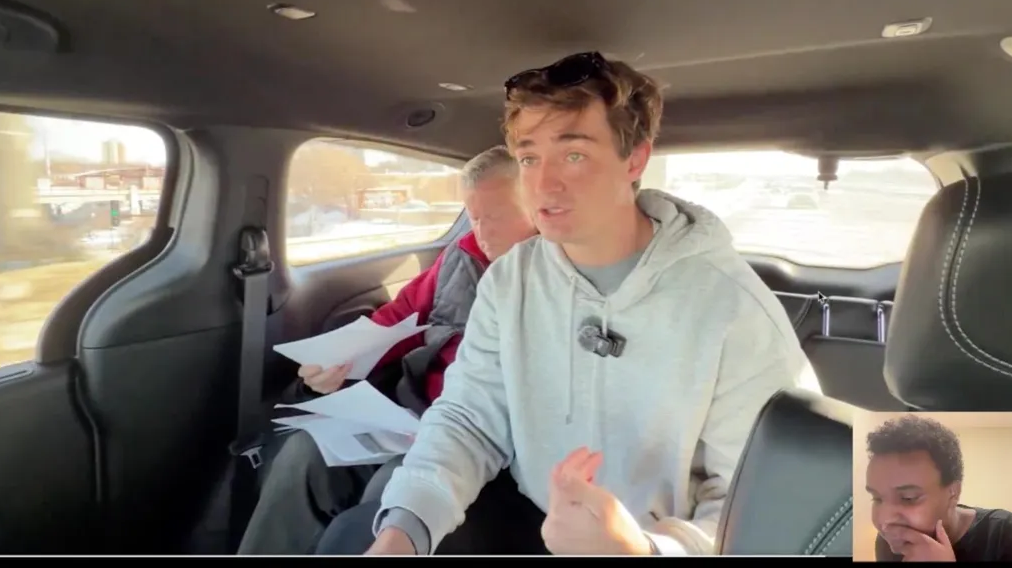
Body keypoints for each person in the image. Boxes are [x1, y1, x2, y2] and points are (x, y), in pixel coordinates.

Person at [317, 51, 818, 556]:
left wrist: (644, 549)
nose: (544, 183)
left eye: (574, 155)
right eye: (529, 158)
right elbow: (469, 418)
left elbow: (760, 503)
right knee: (354, 538)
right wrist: (405, 531)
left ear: (635, 159)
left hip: (655, 542)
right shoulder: (510, 280)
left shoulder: (732, 307)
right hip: (525, 514)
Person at [236, 145, 537, 555]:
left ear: (536, 206)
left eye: (495, 217)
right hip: (413, 416)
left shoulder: (554, 277)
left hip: (481, 437)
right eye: (474, 217)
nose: (482, 232)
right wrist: (341, 361)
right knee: (304, 454)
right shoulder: (459, 258)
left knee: (385, 494)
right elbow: (396, 319)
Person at [866, 415, 1012, 562]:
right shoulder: (887, 542)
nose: (885, 521)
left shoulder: (1005, 534)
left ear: (953, 492)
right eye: (877, 498)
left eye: (908, 498)